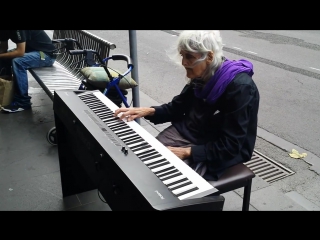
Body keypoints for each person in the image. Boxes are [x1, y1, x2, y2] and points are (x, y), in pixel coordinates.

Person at [114, 30, 260, 181]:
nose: (183, 62)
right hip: (192, 132)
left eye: (189, 56)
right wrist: (147, 111)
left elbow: (231, 145)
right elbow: (177, 108)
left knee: (166, 179)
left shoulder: (240, 88)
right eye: (182, 55)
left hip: (217, 145)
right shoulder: (202, 73)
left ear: (209, 56)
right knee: (145, 160)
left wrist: (187, 152)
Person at [0, 30, 56, 113]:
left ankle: (23, 102)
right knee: (4, 59)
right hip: (30, 51)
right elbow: (3, 48)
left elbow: (20, 52)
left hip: (45, 55)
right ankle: (6, 90)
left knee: (18, 61)